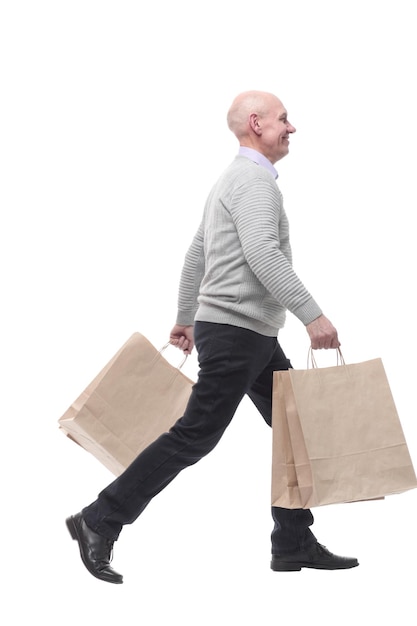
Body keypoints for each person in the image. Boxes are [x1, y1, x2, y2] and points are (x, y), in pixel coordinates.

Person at [66, 90, 359, 583]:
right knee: (195, 434)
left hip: (246, 333)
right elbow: (265, 256)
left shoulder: (232, 179)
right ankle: (99, 519)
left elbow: (197, 250)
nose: (292, 128)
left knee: (295, 429)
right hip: (238, 332)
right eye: (284, 119)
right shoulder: (254, 184)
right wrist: (313, 316)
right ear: (255, 123)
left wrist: (186, 317)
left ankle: (292, 541)